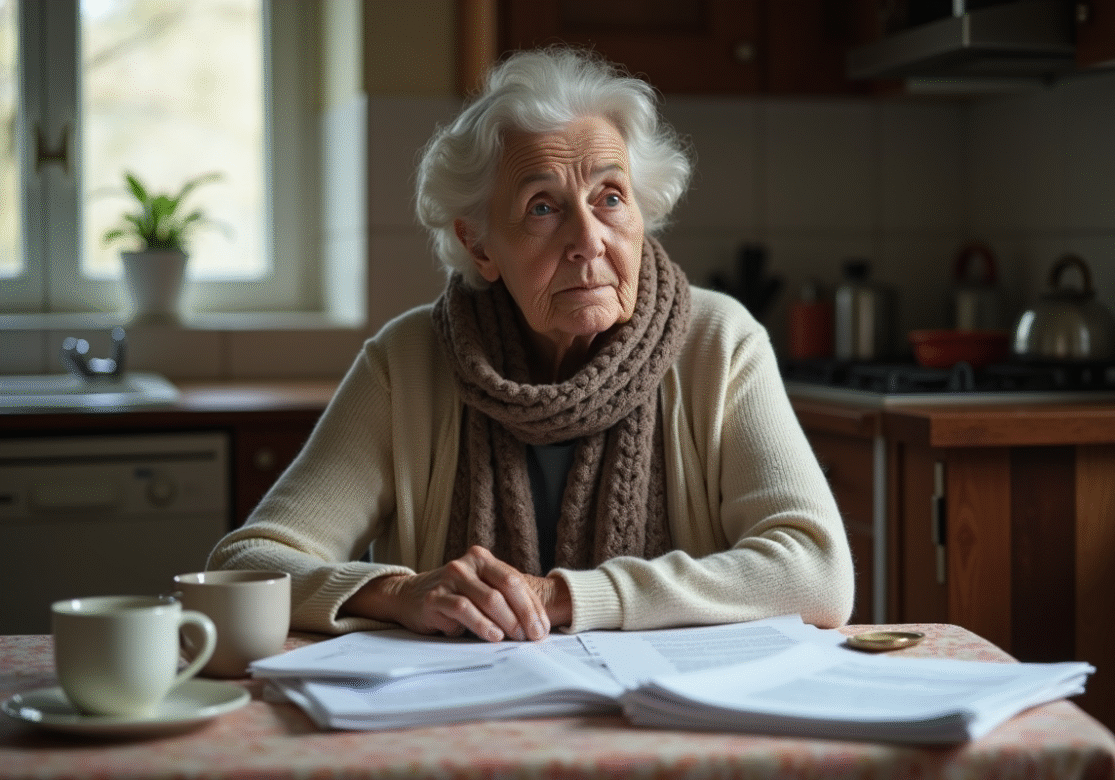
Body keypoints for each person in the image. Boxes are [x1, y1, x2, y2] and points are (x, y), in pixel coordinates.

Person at [208, 48, 854, 643]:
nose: (588, 238)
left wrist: (565, 597)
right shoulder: (407, 362)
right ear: (480, 244)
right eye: (543, 207)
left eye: (610, 198)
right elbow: (247, 561)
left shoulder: (719, 341)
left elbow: (817, 572)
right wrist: (400, 592)